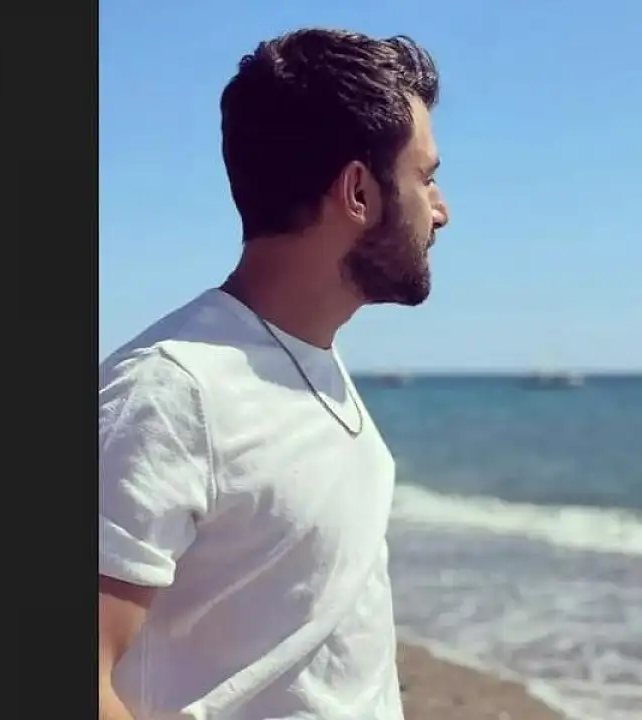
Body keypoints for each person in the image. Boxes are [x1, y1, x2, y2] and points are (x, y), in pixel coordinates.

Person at [98, 28, 449, 720]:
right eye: (426, 177)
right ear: (359, 192)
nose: (440, 210)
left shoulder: (309, 357)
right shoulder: (172, 391)